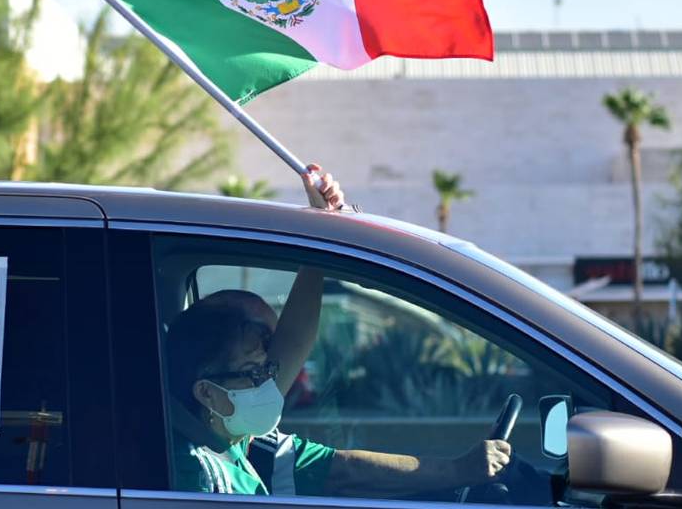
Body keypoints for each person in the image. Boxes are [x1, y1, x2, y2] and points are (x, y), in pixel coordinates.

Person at [165, 165, 512, 497]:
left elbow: (344, 471)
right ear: (207, 393)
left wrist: (322, 231)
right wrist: (459, 471)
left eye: (268, 365)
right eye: (254, 373)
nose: (269, 381)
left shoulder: (237, 438)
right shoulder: (192, 473)